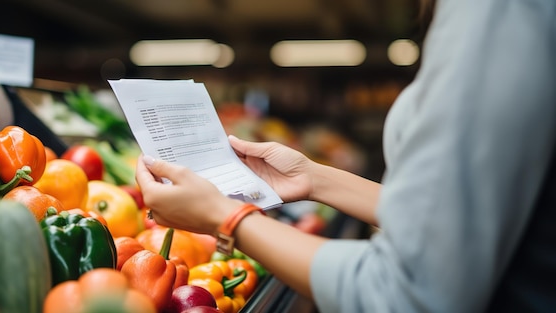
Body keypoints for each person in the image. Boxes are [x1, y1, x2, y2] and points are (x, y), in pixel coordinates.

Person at [134, 0, 556, 311]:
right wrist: (315, 178)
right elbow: (453, 219)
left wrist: (224, 219)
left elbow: (408, 292)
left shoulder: (498, 10)